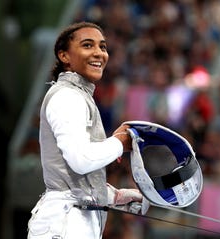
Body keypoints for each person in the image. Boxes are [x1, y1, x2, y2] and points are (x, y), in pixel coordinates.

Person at [27, 21, 144, 239]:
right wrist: (119, 142)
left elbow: (71, 176)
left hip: (71, 220)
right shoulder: (67, 96)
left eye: (103, 47)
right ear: (64, 56)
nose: (99, 53)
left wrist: (113, 196)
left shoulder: (78, 96)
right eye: (88, 45)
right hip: (65, 223)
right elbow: (80, 159)